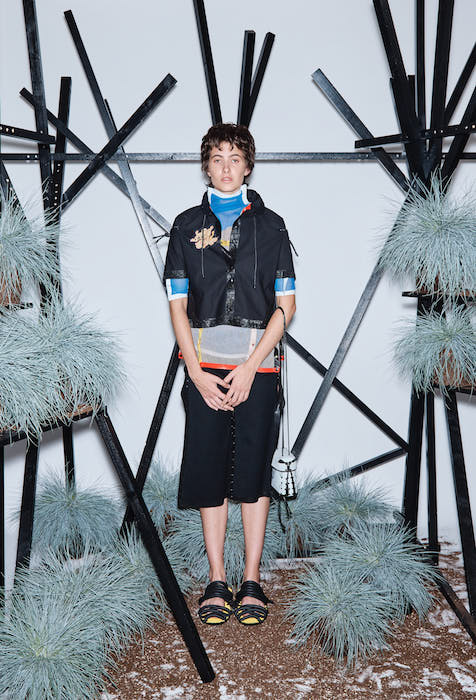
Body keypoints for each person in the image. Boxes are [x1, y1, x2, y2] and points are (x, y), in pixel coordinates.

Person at [163, 122, 296, 626]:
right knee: (210, 472)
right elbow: (177, 307)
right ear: (206, 165)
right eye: (217, 158)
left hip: (257, 369)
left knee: (253, 473)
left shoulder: (272, 226)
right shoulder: (185, 226)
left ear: (248, 166)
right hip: (204, 370)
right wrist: (196, 373)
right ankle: (217, 579)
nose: (226, 167)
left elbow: (286, 306)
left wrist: (251, 366)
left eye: (235, 158)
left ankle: (252, 580)